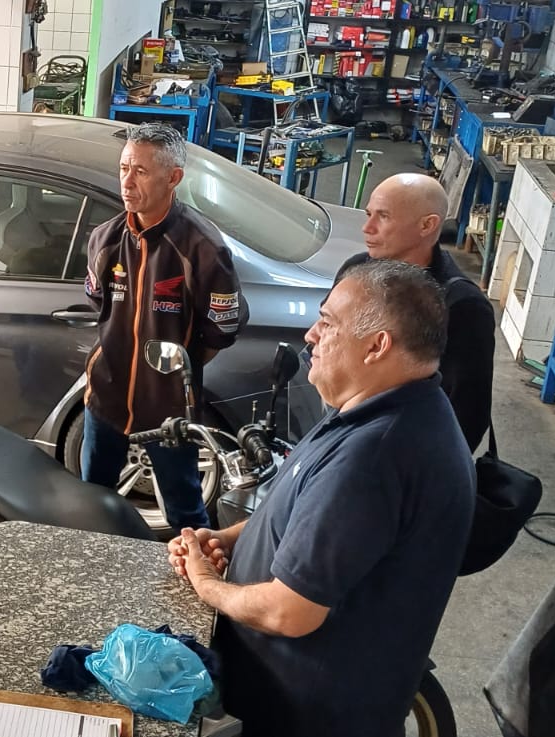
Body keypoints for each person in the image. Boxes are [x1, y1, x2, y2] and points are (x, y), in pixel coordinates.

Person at [167, 260, 476, 737]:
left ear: (377, 346)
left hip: (307, 717)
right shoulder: (375, 408)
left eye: (328, 323)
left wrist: (207, 584)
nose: (311, 335)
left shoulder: (376, 454)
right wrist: (229, 540)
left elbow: (289, 612)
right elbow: (310, 516)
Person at [80, 122, 246, 531]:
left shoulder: (202, 248)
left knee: (185, 513)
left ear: (173, 178)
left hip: (170, 412)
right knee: (89, 505)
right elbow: (100, 305)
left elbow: (221, 331)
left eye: (140, 171)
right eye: (124, 168)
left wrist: (175, 373)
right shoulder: (104, 239)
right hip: (105, 399)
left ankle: (198, 570)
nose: (127, 182)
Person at [338, 173, 495, 452]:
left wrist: (421, 470)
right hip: (344, 439)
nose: (367, 228)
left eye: (383, 216)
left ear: (427, 225)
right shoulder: (355, 273)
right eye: (369, 214)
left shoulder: (461, 306)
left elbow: (467, 414)